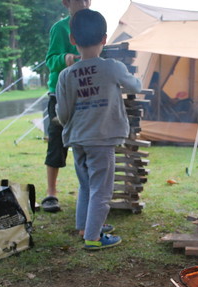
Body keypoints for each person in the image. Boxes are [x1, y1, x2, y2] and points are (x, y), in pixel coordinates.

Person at [56, 9, 142, 249]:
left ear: (73, 39)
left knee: (86, 185)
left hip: (77, 139)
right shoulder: (112, 67)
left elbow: (62, 112)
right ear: (105, 39)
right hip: (101, 140)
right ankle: (93, 239)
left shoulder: (66, 75)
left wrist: (72, 128)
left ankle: (85, 226)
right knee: (102, 191)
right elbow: (134, 85)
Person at [42, 0, 91, 213]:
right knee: (57, 142)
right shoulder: (59, 28)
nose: (85, 3)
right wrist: (67, 58)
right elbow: (51, 61)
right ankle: (51, 193)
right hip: (60, 94)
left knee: (89, 144)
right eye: (79, 0)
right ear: (66, 3)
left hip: (87, 93)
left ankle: (90, 192)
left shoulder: (93, 24)